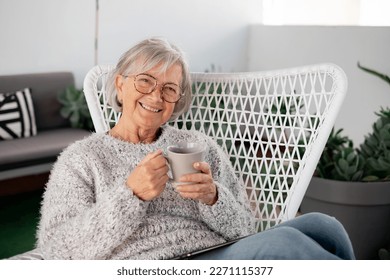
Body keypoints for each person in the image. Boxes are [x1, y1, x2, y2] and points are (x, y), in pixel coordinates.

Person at [35, 38, 355, 260]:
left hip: (215, 254)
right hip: (152, 264)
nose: (156, 97)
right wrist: (130, 194)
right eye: (145, 81)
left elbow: (245, 226)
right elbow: (60, 251)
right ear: (120, 84)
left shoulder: (198, 147)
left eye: (169, 89)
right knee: (286, 243)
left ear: (177, 101)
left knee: (324, 226)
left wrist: (213, 198)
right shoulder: (82, 159)